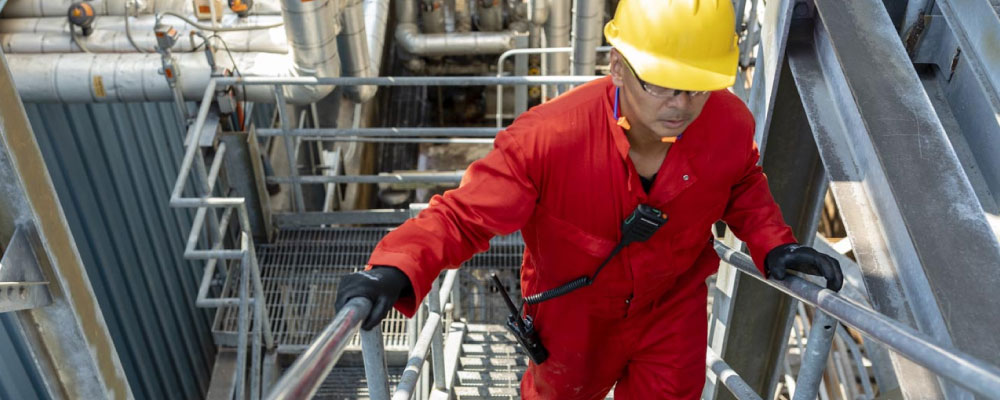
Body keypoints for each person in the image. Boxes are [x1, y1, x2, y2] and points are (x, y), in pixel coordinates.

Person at [335, 0, 843, 398]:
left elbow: (743, 184)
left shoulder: (727, 122)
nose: (682, 106)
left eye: (698, 88)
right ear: (618, 68)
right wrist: (395, 269)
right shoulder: (549, 139)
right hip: (572, 313)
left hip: (671, 308)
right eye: (664, 87)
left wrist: (773, 245)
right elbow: (464, 217)